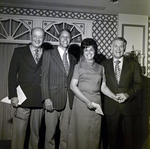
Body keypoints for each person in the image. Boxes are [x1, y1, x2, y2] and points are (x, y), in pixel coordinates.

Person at [68, 38, 118, 149]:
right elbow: (73, 86)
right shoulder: (78, 66)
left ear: (95, 51)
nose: (89, 53)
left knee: (94, 134)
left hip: (96, 105)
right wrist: (87, 101)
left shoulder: (101, 68)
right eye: (86, 50)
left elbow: (103, 87)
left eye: (91, 50)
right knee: (81, 133)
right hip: (81, 103)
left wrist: (114, 97)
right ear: (83, 52)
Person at [101, 37, 143, 149]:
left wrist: (127, 94)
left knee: (129, 141)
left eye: (121, 46)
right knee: (112, 140)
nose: (118, 49)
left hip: (128, 108)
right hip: (110, 108)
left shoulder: (133, 64)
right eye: (115, 46)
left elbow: (138, 84)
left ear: (124, 48)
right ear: (111, 47)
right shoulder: (104, 64)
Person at [8, 27, 46, 149]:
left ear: (44, 38)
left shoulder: (48, 54)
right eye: (35, 36)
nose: (37, 39)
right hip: (22, 98)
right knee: (19, 133)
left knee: (35, 135)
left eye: (40, 36)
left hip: (40, 99)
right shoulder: (19, 52)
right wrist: (13, 95)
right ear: (30, 36)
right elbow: (11, 75)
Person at [41, 29, 77, 149]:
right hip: (52, 98)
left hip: (68, 100)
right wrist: (46, 98)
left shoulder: (72, 58)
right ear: (58, 38)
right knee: (50, 134)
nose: (65, 39)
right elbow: (44, 77)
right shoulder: (49, 54)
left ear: (70, 40)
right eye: (63, 37)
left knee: (65, 134)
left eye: (68, 37)